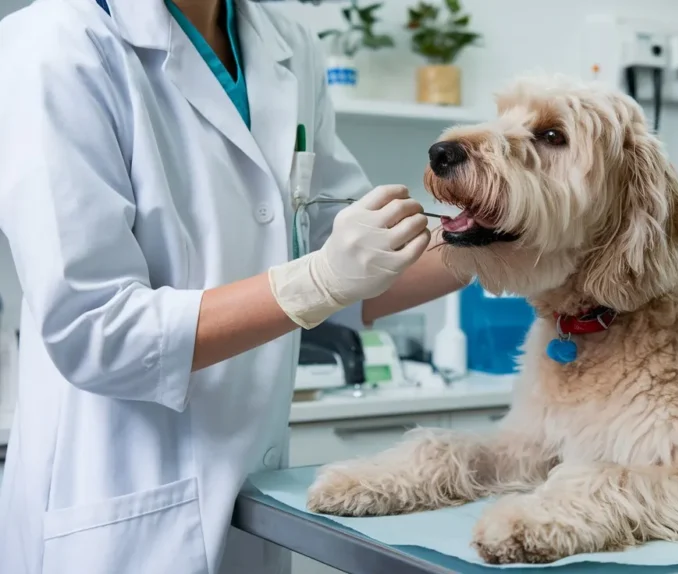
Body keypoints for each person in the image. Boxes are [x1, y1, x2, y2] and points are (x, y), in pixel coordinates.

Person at [0, 0, 466, 572]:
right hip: (117, 513)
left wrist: (516, 244)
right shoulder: (54, 43)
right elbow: (97, 331)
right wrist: (316, 281)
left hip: (251, 506)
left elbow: (363, 274)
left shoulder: (286, 41)